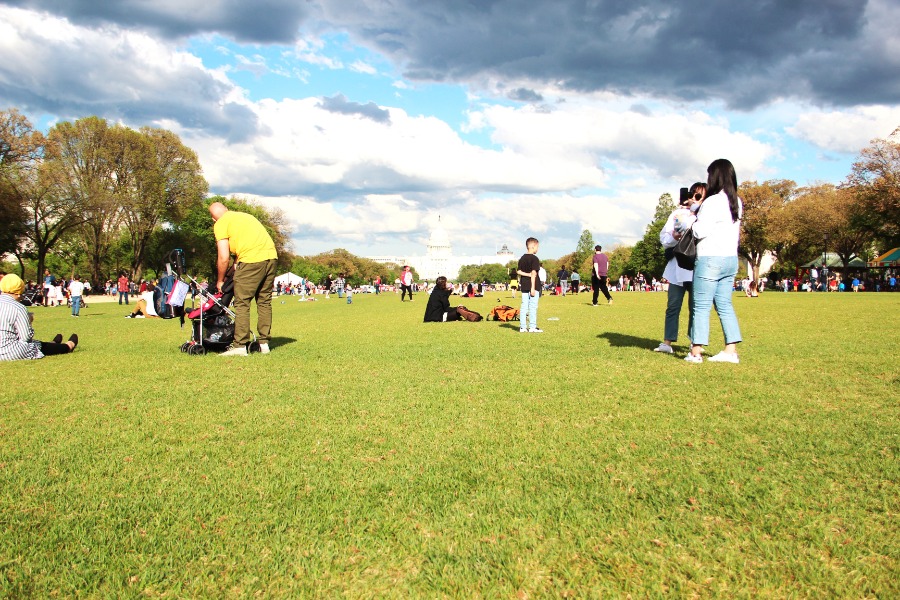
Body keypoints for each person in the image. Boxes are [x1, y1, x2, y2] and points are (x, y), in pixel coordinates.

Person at [686, 159, 743, 364]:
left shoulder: (712, 202)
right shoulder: (736, 201)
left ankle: (696, 351)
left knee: (701, 306)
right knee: (725, 305)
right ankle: (730, 350)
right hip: (730, 258)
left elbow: (700, 230)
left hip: (711, 258)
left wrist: (692, 218)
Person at [209, 201, 278, 356]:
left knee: (242, 303)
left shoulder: (220, 224)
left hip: (252, 260)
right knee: (264, 301)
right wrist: (235, 265)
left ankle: (240, 345)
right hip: (271, 257)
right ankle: (264, 343)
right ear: (227, 209)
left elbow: (223, 257)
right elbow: (245, 245)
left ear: (214, 219)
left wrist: (220, 280)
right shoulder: (244, 216)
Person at [654, 183, 705, 354]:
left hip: (697, 265)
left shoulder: (706, 213)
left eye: (700, 195)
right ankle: (667, 342)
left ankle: (694, 342)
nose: (696, 198)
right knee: (673, 305)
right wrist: (674, 237)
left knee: (695, 307)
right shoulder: (677, 214)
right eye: (695, 195)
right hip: (678, 265)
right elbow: (664, 237)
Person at [0, 274, 79, 360]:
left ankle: (53, 343)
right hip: (10, 352)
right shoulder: (18, 308)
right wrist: (29, 321)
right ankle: (68, 346)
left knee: (35, 344)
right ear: (19, 292)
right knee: (34, 345)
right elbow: (26, 337)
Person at [516, 237, 543, 333]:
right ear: (532, 246)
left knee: (524, 306)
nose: (537, 249)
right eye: (537, 247)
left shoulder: (522, 258)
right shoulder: (535, 259)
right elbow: (533, 274)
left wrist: (526, 274)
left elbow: (518, 271)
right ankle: (532, 327)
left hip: (524, 286)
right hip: (533, 286)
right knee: (532, 306)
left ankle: (522, 327)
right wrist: (532, 288)